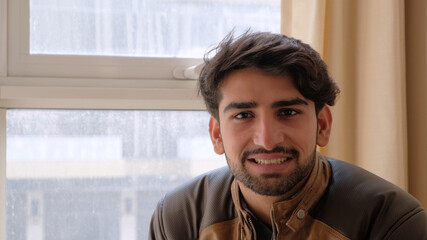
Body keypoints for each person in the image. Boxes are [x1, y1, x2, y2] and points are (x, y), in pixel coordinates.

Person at [149, 31, 427, 239]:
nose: (267, 140)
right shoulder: (178, 218)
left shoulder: (390, 220)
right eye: (243, 115)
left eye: (288, 112)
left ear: (323, 125)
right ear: (217, 135)